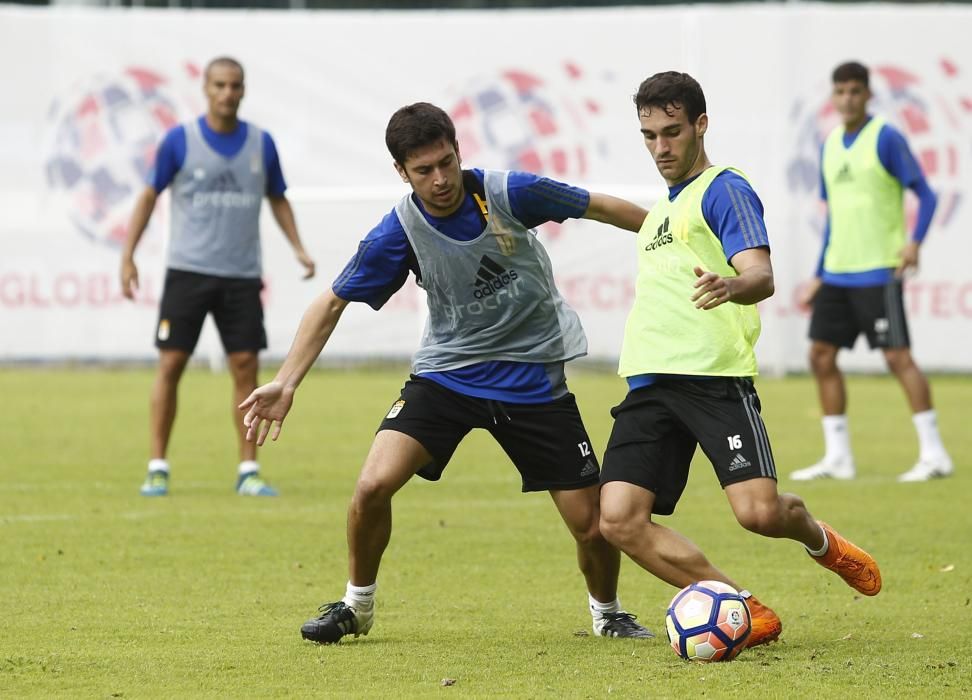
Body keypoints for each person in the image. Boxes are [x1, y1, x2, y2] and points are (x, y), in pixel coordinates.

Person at [240, 102, 654, 644]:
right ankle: (356, 605)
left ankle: (608, 613)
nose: (440, 179)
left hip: (532, 382)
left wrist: (670, 238)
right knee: (371, 486)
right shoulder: (398, 233)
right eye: (423, 170)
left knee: (590, 522)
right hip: (447, 378)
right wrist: (286, 382)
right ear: (401, 172)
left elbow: (597, 206)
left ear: (459, 151)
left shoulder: (512, 193)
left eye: (446, 163)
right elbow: (330, 303)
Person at [595, 72, 883, 649]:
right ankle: (744, 610)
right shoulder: (661, 213)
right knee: (619, 519)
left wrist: (734, 285)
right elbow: (600, 205)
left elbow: (760, 274)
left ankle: (820, 539)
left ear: (701, 125)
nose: (661, 148)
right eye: (649, 136)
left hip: (713, 379)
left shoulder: (724, 189)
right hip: (649, 381)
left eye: (672, 132)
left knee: (758, 513)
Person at [120, 56, 316, 498]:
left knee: (245, 370)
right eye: (220, 85)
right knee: (171, 364)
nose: (228, 93)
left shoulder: (261, 144)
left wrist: (298, 247)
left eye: (235, 85)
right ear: (206, 89)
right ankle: (157, 466)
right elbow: (149, 194)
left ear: (243, 91)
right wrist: (128, 255)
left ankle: (248, 470)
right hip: (187, 273)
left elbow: (278, 198)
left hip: (241, 276)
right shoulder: (179, 141)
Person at [791, 61, 952, 483]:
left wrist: (914, 243)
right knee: (820, 355)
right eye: (840, 91)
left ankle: (935, 454)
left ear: (867, 95)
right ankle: (838, 457)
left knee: (898, 357)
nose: (847, 98)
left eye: (854, 91)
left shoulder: (886, 138)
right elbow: (834, 219)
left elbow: (927, 195)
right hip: (837, 274)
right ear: (833, 96)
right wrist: (818, 273)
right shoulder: (829, 145)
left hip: (878, 272)